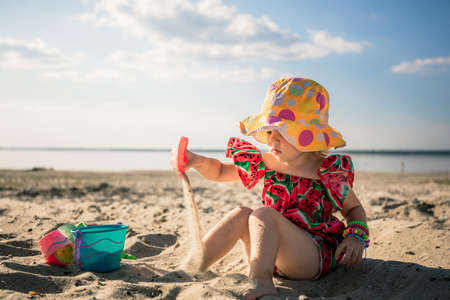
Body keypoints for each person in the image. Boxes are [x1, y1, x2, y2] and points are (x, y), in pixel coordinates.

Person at [171, 77, 369, 300]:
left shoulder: (326, 172)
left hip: (311, 255)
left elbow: (354, 209)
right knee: (242, 214)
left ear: (308, 136)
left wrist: (355, 237)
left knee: (264, 213)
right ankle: (191, 266)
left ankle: (261, 282)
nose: (272, 139)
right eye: (268, 132)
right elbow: (219, 171)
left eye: (282, 131)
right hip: (269, 252)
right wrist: (196, 161)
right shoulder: (267, 162)